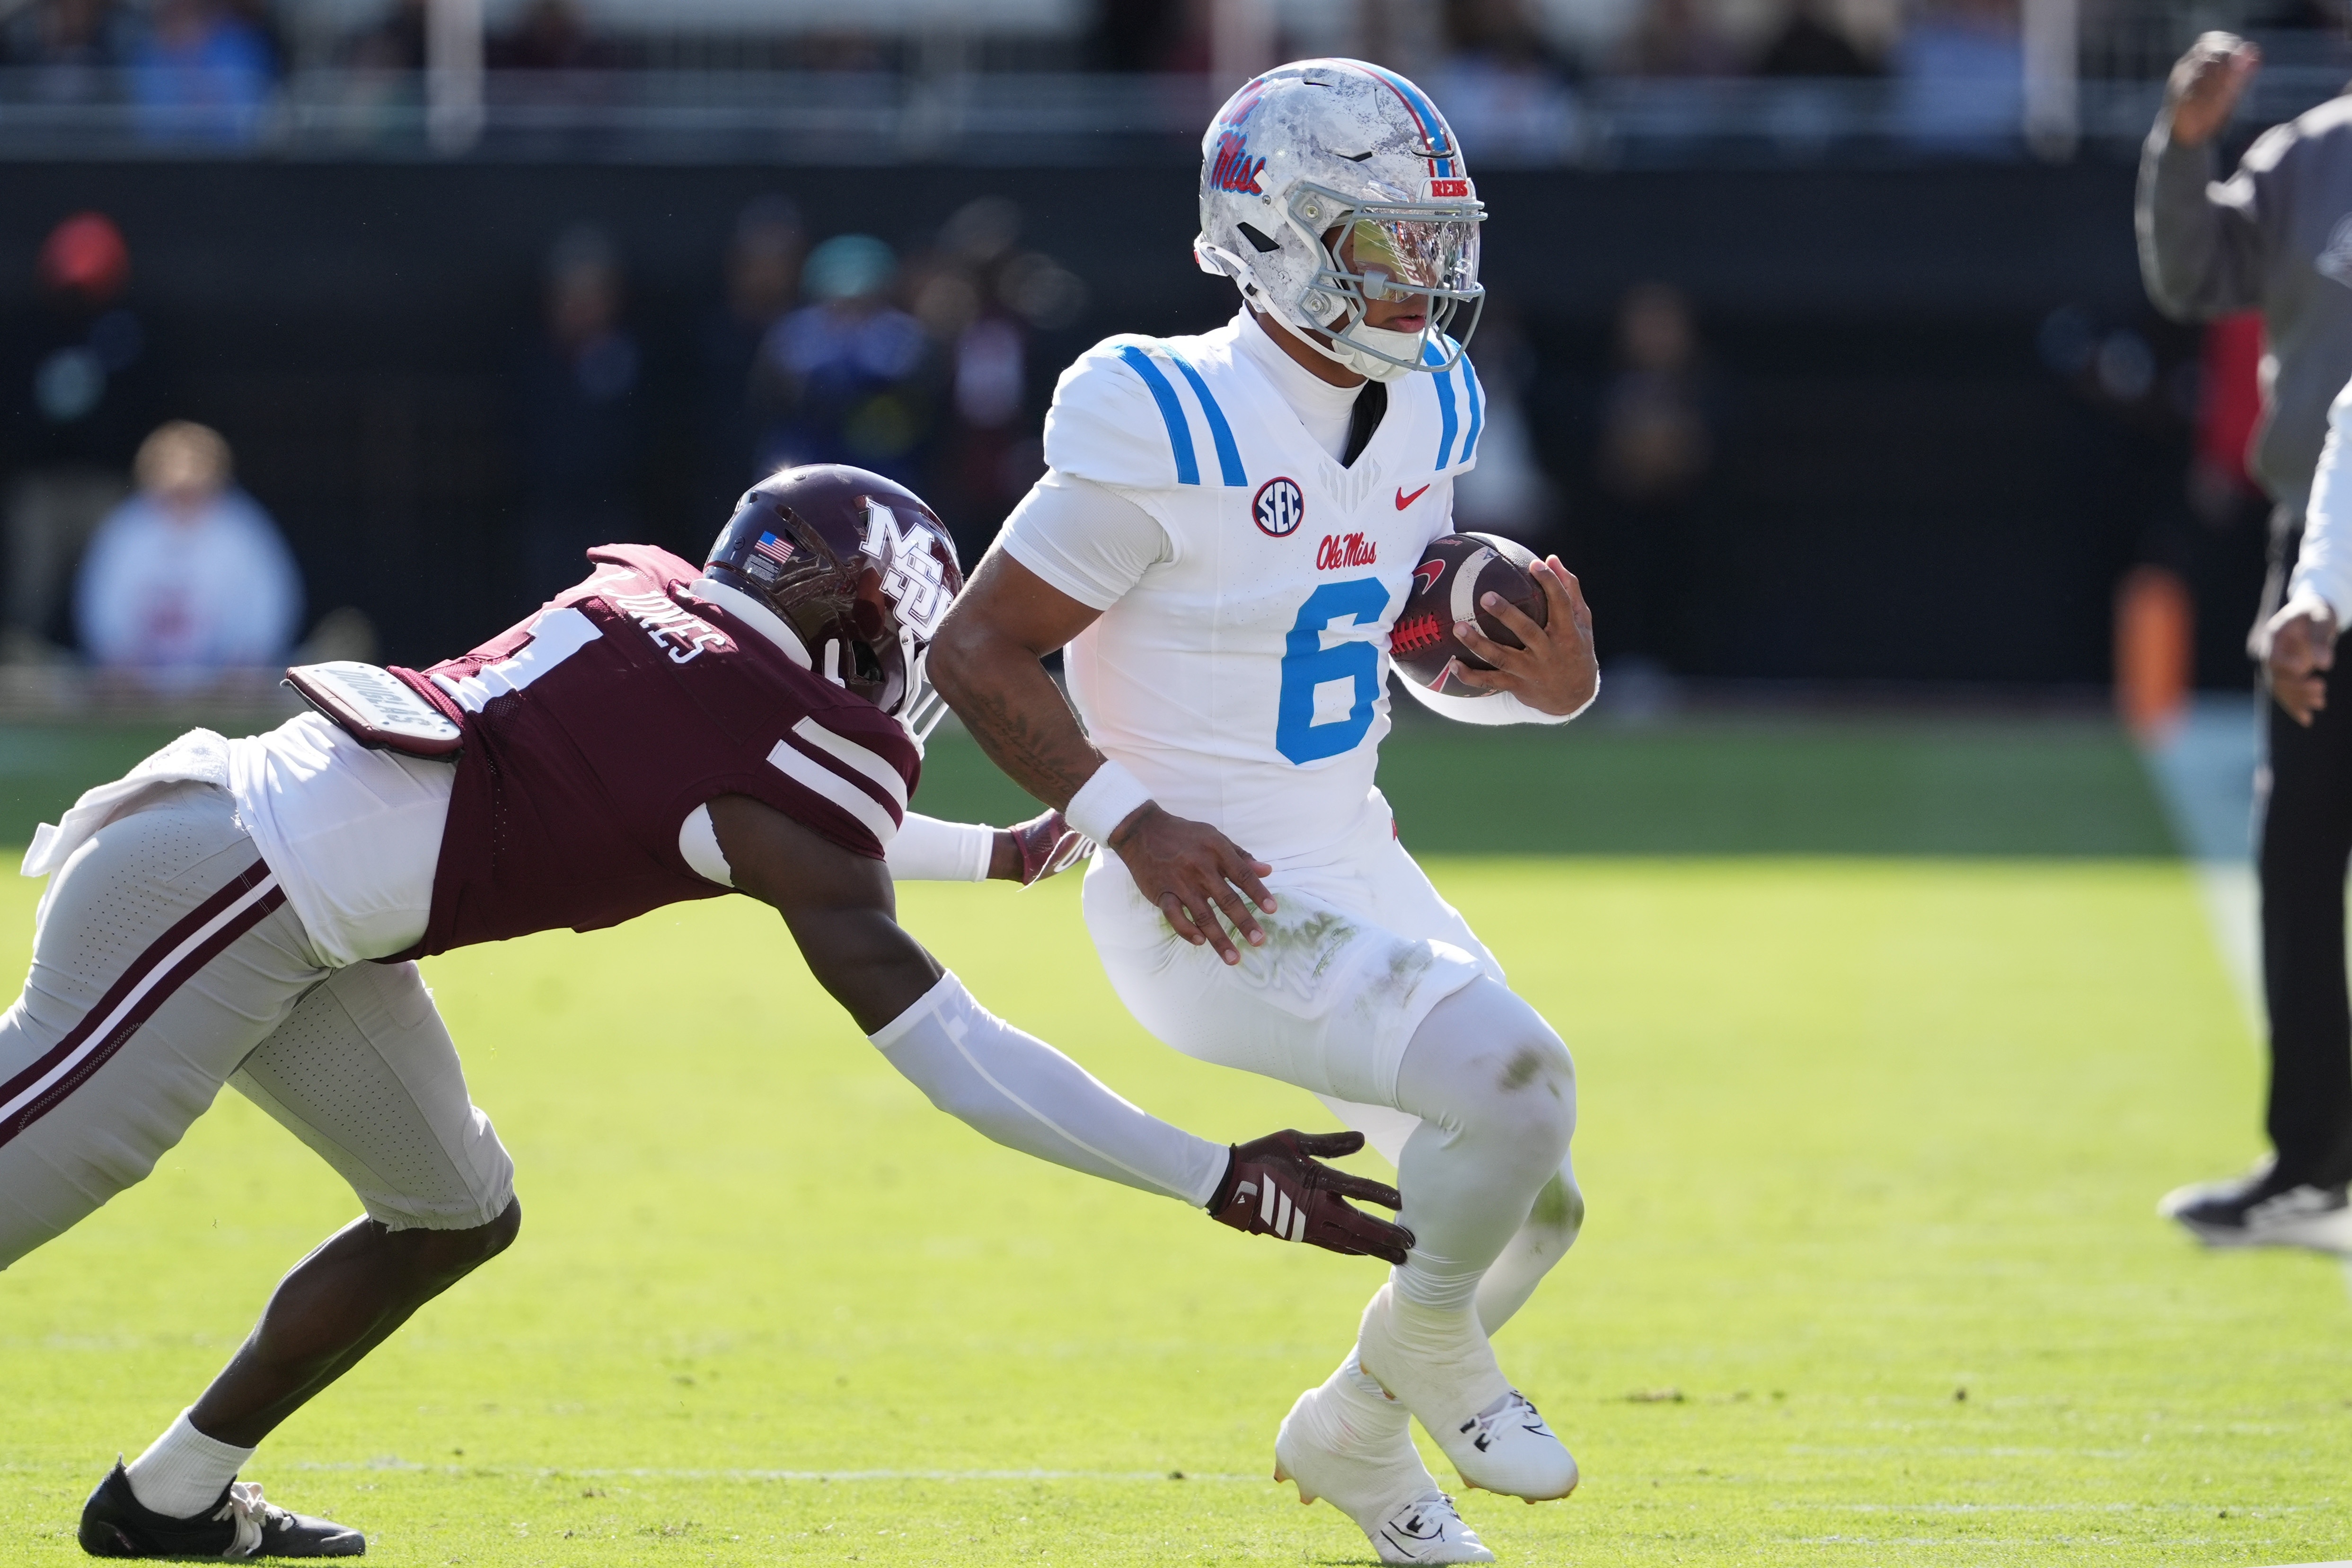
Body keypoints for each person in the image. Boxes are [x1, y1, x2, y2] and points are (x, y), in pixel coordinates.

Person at [4, 463, 1409, 1559]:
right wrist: (1213, 1173)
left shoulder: (660, 628)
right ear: (855, 620)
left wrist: (984, 852)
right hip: (223, 890)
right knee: (42, 1168)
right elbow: (956, 1052)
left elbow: (718, 816)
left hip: (297, 898)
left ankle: (173, 1498)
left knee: (450, 1206)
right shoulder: (761, 749)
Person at [929, 60, 1602, 1566]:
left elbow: (1391, 653)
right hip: (1204, 894)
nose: (1424, 275)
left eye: (1435, 239)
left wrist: (1548, 684)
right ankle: (1428, 1351)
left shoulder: (1431, 396)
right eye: (1384, 240)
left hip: (1347, 848)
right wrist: (1132, 823)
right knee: (1517, 1078)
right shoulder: (1164, 408)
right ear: (1278, 236)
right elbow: (973, 648)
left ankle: (1354, 1432)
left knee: (1533, 1198)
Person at [2140, 32, 2352, 1252]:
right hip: (2320, 544)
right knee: (2301, 851)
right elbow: (2191, 274)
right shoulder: (2309, 157)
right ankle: (2311, 1153)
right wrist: (2185, 143)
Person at [75, 420, 302, 686]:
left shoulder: (244, 529)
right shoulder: (126, 528)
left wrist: (249, 661)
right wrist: (118, 658)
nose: (184, 492)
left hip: (226, 685)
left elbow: (269, 608)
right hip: (139, 687)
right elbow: (102, 608)